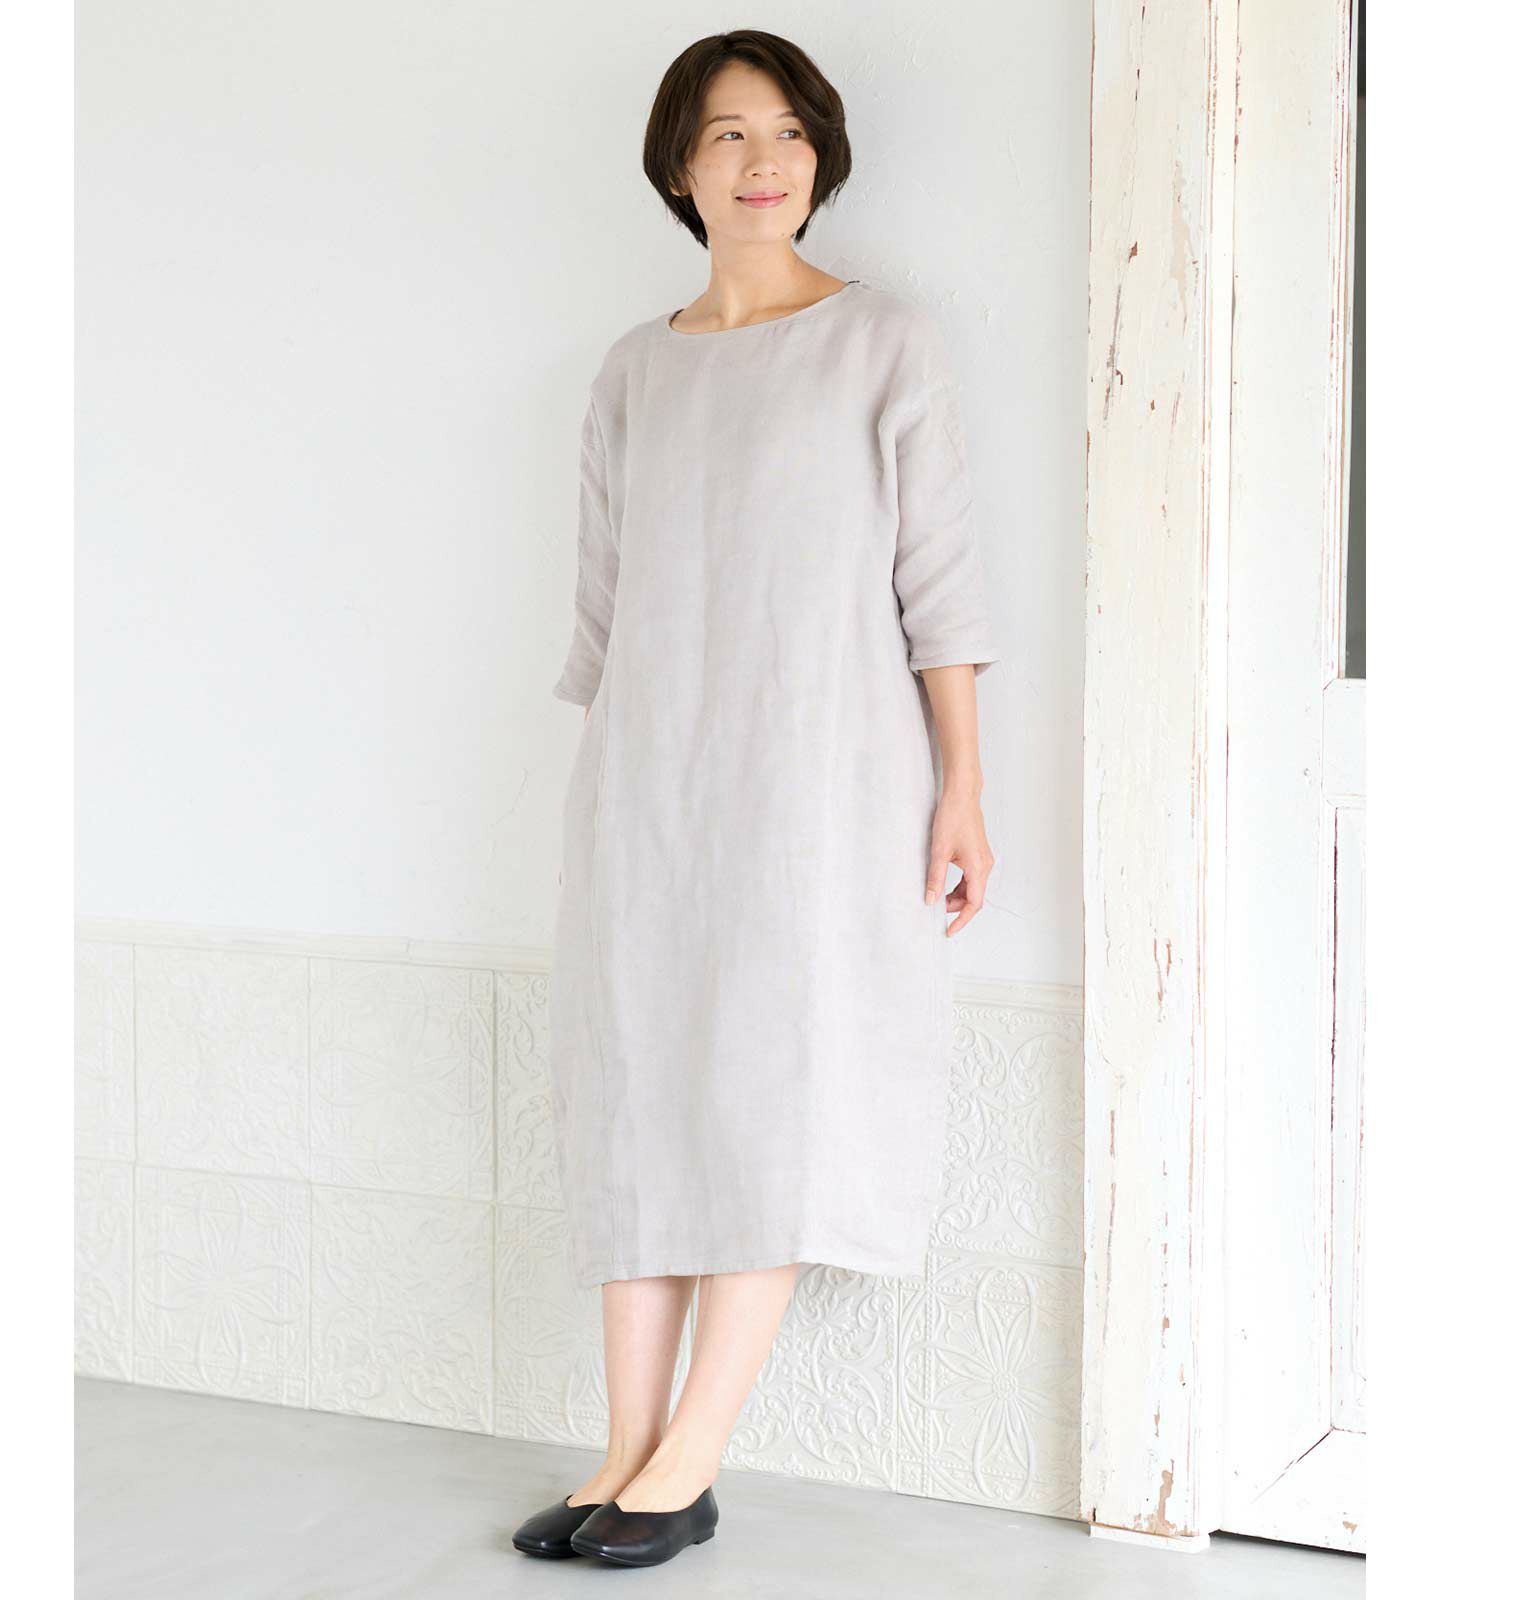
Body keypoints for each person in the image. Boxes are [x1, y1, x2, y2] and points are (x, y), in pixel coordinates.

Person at [514, 29, 1002, 1569]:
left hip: (824, 785)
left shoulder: (883, 342)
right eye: (728, 134)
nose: (763, 160)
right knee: (641, 1085)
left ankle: (694, 1454)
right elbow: (607, 613)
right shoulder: (633, 370)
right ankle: (625, 1449)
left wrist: (962, 788)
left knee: (777, 1087)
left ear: (821, 155)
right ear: (681, 165)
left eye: (788, 131)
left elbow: (941, 584)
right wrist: (608, 799)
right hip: (652, 783)